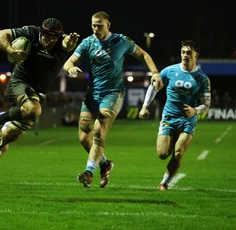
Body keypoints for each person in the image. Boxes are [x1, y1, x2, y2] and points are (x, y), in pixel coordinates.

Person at [62, 11, 163, 188]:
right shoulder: (87, 43)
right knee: (84, 136)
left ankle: (88, 172)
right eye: (93, 25)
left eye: (99, 25)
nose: (95, 29)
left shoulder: (120, 41)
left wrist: (155, 73)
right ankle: (105, 164)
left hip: (113, 92)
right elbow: (69, 62)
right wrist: (70, 69)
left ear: (108, 25)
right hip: (92, 94)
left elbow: (143, 55)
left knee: (99, 130)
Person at [0, 17, 79, 162]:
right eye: (46, 35)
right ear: (41, 31)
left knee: (8, 137)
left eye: (53, 38)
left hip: (39, 92)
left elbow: (67, 44)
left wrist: (69, 45)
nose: (49, 40)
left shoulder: (64, 42)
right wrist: (11, 51)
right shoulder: (31, 32)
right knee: (33, 110)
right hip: (19, 82)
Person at [138, 40, 211, 190]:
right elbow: (154, 87)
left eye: (189, 52)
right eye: (183, 52)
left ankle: (165, 182)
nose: (185, 55)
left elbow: (207, 104)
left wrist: (195, 110)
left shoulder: (202, 78)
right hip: (169, 118)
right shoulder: (169, 71)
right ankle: (172, 139)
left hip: (188, 120)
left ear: (196, 55)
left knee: (178, 152)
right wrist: (145, 106)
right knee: (163, 154)